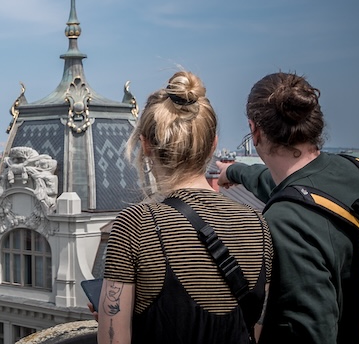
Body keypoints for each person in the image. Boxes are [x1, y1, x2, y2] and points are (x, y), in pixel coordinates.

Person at [96, 71, 272, 344]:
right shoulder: (256, 224)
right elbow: (258, 332)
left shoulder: (135, 225)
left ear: (145, 145)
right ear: (213, 145)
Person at [217, 72, 359, 344]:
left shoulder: (285, 222)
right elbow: (284, 185)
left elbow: (311, 332)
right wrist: (235, 171)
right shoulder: (355, 169)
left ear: (254, 131)